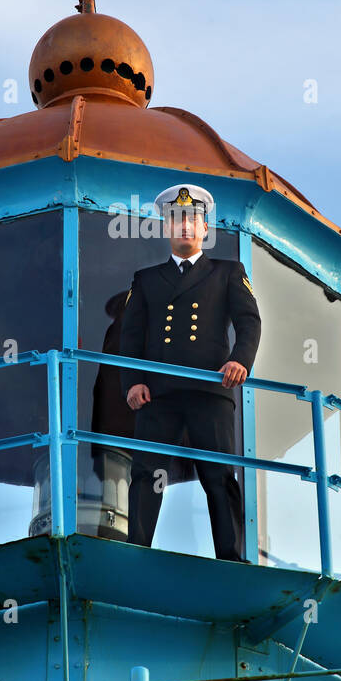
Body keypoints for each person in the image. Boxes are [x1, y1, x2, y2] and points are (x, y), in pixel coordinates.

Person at [118, 184, 261, 561]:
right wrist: (132, 381)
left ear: (204, 229)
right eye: (177, 220)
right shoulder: (145, 279)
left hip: (210, 390)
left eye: (192, 220)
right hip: (159, 393)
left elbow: (249, 322)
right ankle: (137, 549)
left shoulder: (228, 272)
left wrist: (239, 360)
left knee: (218, 475)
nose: (185, 227)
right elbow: (129, 336)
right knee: (146, 473)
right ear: (167, 227)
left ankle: (230, 558)